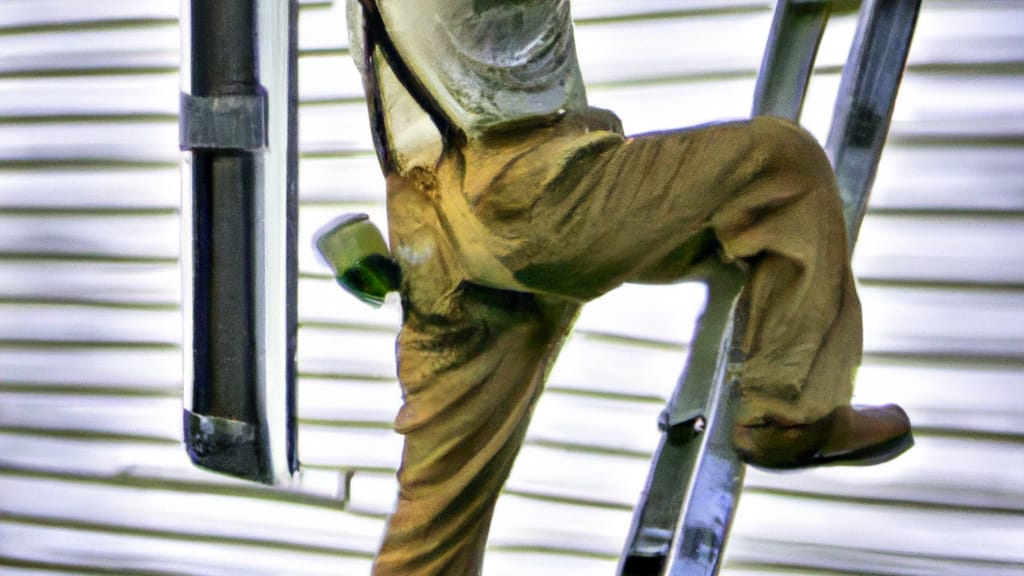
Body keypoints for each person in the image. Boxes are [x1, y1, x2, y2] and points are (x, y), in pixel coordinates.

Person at [342, 1, 914, 573]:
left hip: (428, 230)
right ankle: (789, 420)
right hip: (532, 196)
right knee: (783, 167)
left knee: (438, 511)